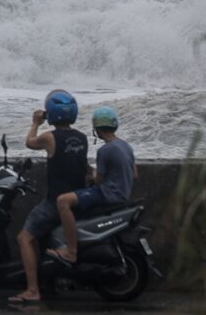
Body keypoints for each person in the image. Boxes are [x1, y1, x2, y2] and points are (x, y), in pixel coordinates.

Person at [9, 89, 88, 304]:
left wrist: (35, 121)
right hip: (78, 198)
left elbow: (29, 142)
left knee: (24, 238)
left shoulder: (49, 137)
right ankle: (49, 280)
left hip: (55, 202)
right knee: (43, 238)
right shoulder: (81, 138)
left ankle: (33, 289)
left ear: (51, 113)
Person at [47, 106, 137, 265]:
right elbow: (134, 174)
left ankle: (71, 252)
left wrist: (92, 175)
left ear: (96, 128)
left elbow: (99, 181)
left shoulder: (105, 150)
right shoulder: (126, 146)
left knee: (63, 201)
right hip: (124, 194)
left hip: (108, 194)